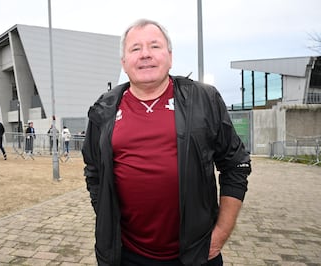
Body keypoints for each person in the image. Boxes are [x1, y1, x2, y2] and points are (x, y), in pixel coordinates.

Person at [82, 19, 251, 266]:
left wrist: (220, 234)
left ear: (169, 57)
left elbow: (235, 166)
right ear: (124, 62)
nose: (145, 55)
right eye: (135, 49)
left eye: (155, 46)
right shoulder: (103, 110)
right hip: (125, 255)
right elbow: (94, 172)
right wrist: (108, 219)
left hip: (195, 255)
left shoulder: (204, 100)